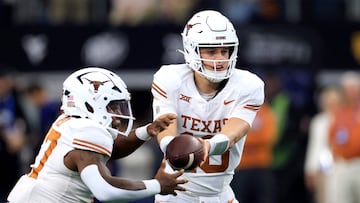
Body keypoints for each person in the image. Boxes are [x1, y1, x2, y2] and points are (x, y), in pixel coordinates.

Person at [7, 67, 187, 203]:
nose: (118, 116)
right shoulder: (86, 131)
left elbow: (111, 150)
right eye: (113, 106)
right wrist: (157, 185)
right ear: (90, 103)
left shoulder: (73, 124)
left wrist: (147, 131)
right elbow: (105, 190)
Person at [151, 10, 264, 202]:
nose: (220, 59)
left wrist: (206, 146)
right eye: (211, 51)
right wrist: (173, 148)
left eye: (224, 50)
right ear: (191, 49)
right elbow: (165, 127)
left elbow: (234, 132)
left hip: (219, 194)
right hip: (176, 195)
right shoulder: (170, 79)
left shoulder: (248, 85)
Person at [230, 99, 278, 203]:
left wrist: (243, 140)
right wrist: (254, 139)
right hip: (240, 167)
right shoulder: (236, 110)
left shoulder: (265, 111)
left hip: (261, 166)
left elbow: (269, 137)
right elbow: (230, 136)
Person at [304, 86, 341, 203]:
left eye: (334, 100)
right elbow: (314, 146)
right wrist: (309, 169)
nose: (331, 103)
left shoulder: (346, 120)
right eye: (328, 100)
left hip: (342, 168)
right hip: (323, 169)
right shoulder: (318, 121)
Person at [327, 71, 360, 203]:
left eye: (353, 90)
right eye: (347, 90)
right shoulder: (338, 112)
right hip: (342, 165)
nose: (349, 93)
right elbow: (330, 136)